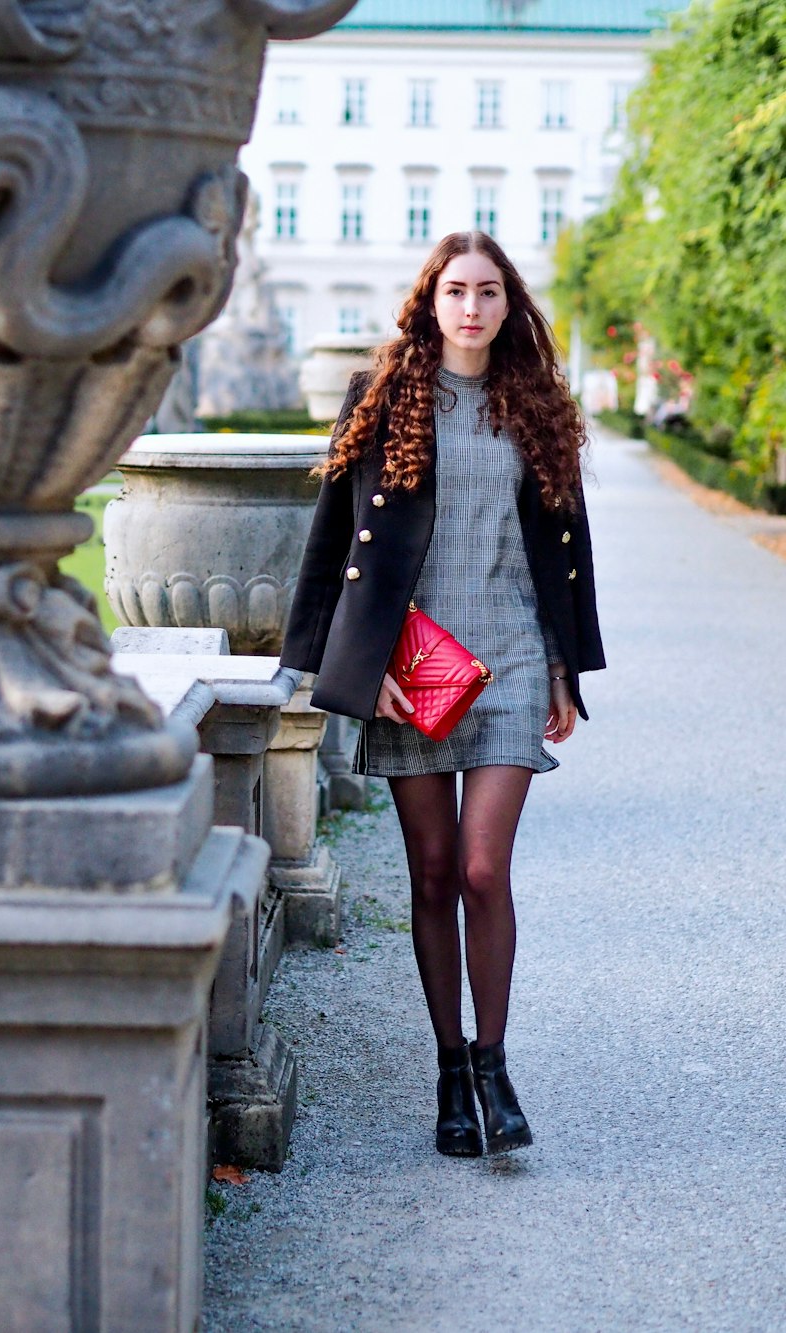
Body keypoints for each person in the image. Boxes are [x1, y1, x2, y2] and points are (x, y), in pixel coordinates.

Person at [280, 231, 605, 1157]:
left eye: (489, 291)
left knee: (480, 869)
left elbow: (565, 552)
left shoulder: (535, 404)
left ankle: (495, 1069)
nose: (472, 306)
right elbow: (333, 545)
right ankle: (449, 1071)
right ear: (431, 299)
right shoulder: (384, 399)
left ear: (510, 305)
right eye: (456, 289)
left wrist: (561, 669)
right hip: (415, 670)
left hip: (506, 659)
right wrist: (357, 663)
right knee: (428, 873)